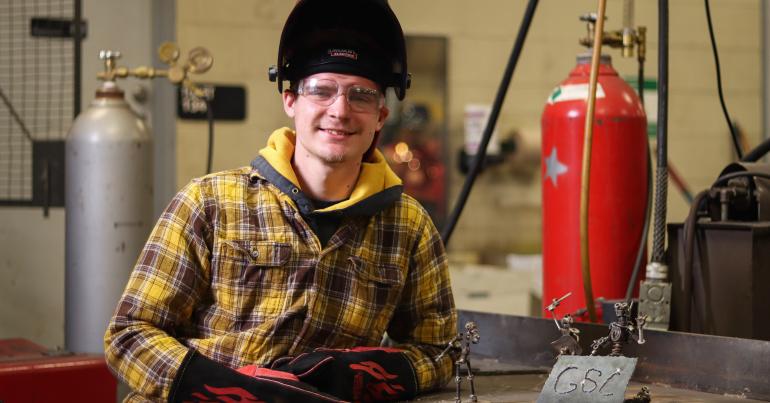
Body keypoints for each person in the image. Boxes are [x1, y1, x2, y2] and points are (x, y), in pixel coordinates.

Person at [103, 0, 458, 402]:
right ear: (290, 101)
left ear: (380, 114)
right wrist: (226, 389)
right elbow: (129, 335)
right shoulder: (210, 202)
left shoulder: (406, 226)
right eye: (322, 90)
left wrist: (363, 375)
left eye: (360, 95)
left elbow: (440, 351)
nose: (340, 111)